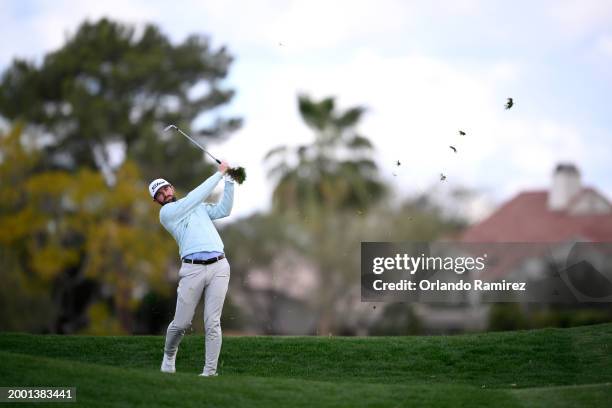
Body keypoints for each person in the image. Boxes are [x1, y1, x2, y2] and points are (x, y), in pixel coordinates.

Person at [148, 160, 234, 377]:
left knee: (212, 322)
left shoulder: (198, 207)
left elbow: (224, 210)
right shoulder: (167, 214)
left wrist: (230, 181)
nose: (165, 193)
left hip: (219, 266)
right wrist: (219, 174)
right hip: (192, 270)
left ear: (172, 188)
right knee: (181, 323)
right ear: (156, 200)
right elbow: (196, 196)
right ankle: (169, 355)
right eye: (159, 193)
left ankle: (210, 372)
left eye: (166, 188)